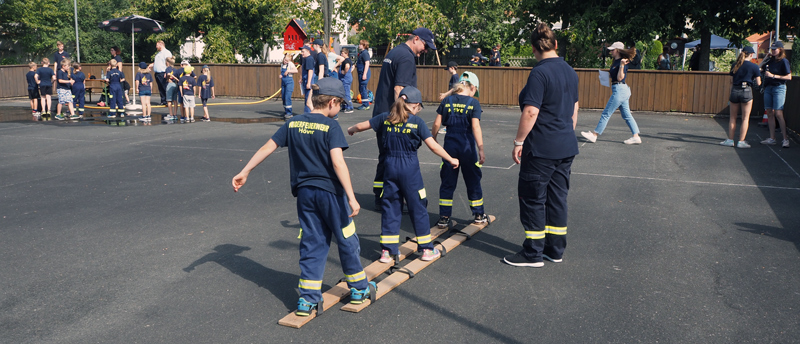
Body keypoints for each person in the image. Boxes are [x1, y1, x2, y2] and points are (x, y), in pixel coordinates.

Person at [232, 77, 375, 316]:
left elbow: (268, 147)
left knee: (313, 242)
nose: (341, 108)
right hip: (331, 194)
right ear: (332, 102)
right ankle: (360, 289)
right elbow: (338, 163)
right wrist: (351, 196)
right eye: (341, 104)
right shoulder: (331, 127)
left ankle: (307, 300)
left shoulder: (294, 123)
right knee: (346, 238)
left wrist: (245, 171)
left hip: (306, 194)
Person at [347, 86, 458, 263]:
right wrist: (451, 159)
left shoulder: (385, 118)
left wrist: (352, 128)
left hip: (390, 167)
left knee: (390, 207)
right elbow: (433, 145)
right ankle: (426, 250)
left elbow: (362, 126)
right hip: (410, 169)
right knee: (418, 208)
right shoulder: (417, 122)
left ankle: (387, 251)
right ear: (415, 106)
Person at [504, 22, 579, 268]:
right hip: (565, 146)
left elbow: (531, 111)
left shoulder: (539, 72)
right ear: (555, 44)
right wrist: (565, 133)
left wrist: (519, 142)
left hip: (542, 148)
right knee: (557, 198)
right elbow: (574, 109)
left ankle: (533, 253)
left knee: (533, 198)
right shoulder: (570, 71)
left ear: (534, 49)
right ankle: (554, 250)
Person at [371, 27, 436, 207]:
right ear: (416, 39)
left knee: (385, 156)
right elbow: (400, 90)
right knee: (397, 158)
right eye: (425, 45)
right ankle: (391, 198)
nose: (426, 50)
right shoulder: (407, 57)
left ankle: (380, 195)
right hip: (393, 115)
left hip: (382, 112)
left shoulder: (395, 51)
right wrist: (402, 118)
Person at [430, 71, 487, 227]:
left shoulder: (447, 101)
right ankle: (479, 214)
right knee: (473, 180)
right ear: (473, 88)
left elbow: (436, 124)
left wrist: (433, 139)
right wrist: (481, 149)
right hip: (467, 147)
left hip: (450, 147)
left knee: (448, 181)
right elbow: (475, 126)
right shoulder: (473, 103)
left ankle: (444, 217)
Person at [580, 41, 641, 145]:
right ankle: (636, 136)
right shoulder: (616, 62)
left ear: (617, 50)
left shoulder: (622, 61)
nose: (611, 52)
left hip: (620, 89)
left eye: (612, 50)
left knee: (606, 113)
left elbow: (620, 77)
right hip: (621, 89)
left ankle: (594, 135)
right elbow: (614, 75)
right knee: (627, 115)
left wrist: (622, 66)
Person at [720, 46, 761, 148]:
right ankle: (741, 141)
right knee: (745, 118)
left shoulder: (735, 65)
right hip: (747, 91)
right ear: (751, 55)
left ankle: (730, 140)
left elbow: (731, 81)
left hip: (735, 90)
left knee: (733, 118)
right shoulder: (754, 67)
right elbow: (759, 83)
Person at [760, 41, 792, 148]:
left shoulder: (784, 61)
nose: (773, 51)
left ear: (780, 50)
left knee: (778, 113)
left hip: (779, 87)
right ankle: (772, 138)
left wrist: (773, 76)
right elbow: (758, 68)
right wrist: (765, 58)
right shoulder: (770, 60)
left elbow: (789, 77)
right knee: (769, 111)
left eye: (775, 49)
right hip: (769, 88)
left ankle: (785, 139)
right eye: (772, 49)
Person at [153, 40, 173, 105]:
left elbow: (169, 62)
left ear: (161, 44)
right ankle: (163, 100)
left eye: (157, 45)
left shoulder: (166, 52)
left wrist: (167, 72)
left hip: (163, 72)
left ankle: (169, 100)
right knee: (160, 87)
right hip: (157, 73)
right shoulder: (158, 54)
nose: (156, 47)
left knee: (165, 87)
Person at [280, 53, 298, 119]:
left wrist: (288, 71)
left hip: (289, 82)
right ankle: (285, 111)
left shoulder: (290, 64)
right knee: (283, 97)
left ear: (289, 61)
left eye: (287, 61)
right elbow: (282, 73)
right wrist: (281, 76)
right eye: (285, 60)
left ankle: (289, 113)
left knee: (287, 97)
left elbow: (296, 71)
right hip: (283, 83)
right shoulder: (282, 65)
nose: (285, 61)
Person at [337, 47, 355, 113]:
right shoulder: (349, 60)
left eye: (342, 53)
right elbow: (353, 66)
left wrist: (345, 72)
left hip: (345, 79)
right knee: (343, 93)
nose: (341, 55)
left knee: (346, 93)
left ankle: (350, 107)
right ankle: (344, 106)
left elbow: (347, 67)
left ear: (346, 53)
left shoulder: (346, 60)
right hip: (346, 78)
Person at [355, 40, 371, 110]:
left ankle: (365, 105)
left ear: (364, 45)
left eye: (360, 44)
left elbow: (367, 63)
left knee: (363, 87)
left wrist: (364, 74)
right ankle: (365, 103)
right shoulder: (361, 53)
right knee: (361, 88)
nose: (359, 45)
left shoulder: (365, 53)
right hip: (361, 73)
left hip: (363, 73)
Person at [300, 46, 315, 113]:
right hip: (305, 81)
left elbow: (310, 71)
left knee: (308, 100)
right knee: (307, 100)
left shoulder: (309, 59)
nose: (302, 53)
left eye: (303, 52)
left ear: (308, 51)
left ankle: (308, 115)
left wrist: (309, 82)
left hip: (309, 82)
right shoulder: (306, 59)